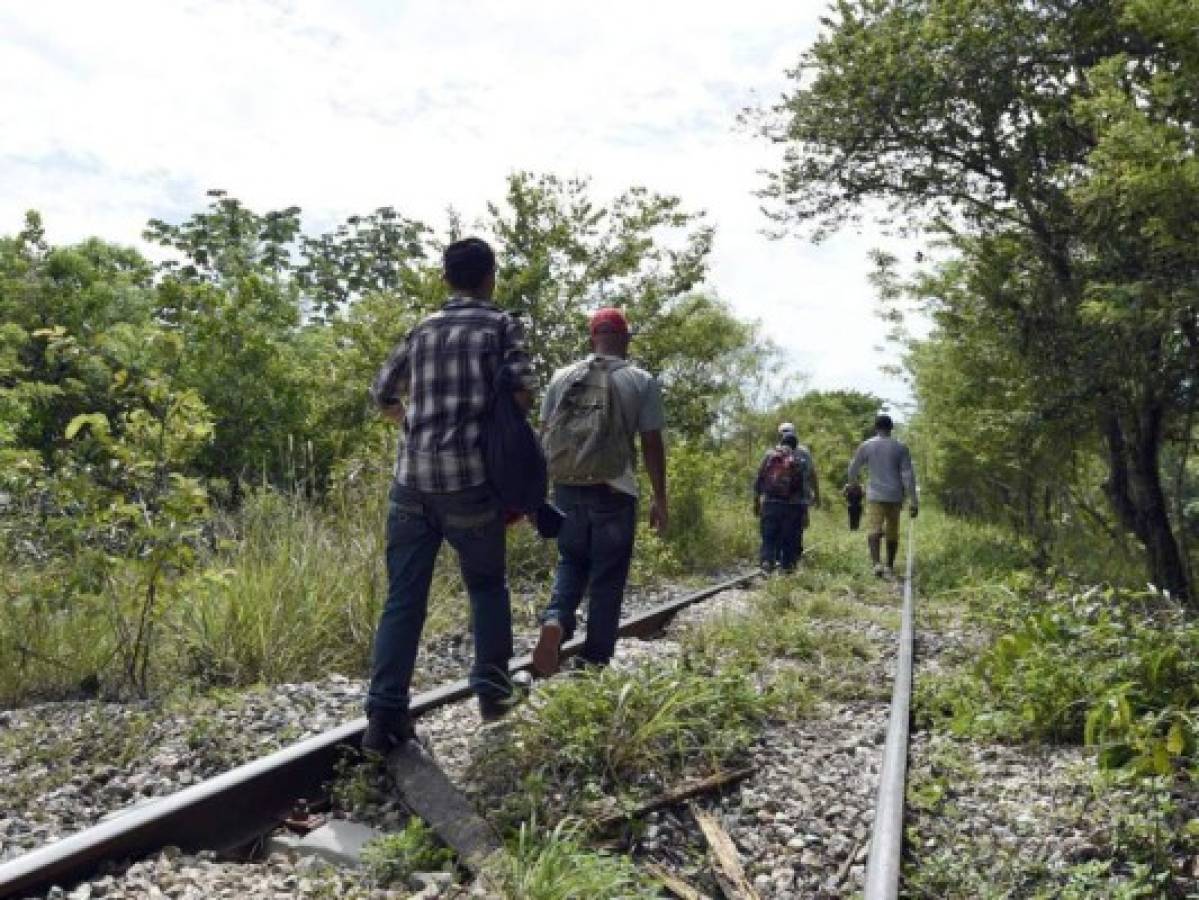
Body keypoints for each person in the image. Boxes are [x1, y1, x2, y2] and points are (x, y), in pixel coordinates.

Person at [363, 237, 537, 754]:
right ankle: (492, 695)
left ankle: (383, 716)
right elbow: (524, 393)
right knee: (486, 587)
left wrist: (411, 420)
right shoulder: (501, 325)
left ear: (446, 279)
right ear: (491, 277)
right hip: (470, 484)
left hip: (412, 482)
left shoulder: (421, 329)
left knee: (404, 598)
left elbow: (382, 392)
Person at [531, 308, 668, 676]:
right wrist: (660, 497)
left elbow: (543, 437)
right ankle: (593, 663)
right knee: (608, 577)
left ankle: (557, 620)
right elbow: (652, 443)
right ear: (625, 339)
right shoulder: (640, 381)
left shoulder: (562, 378)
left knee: (570, 561)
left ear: (593, 337)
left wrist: (536, 494)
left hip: (566, 489)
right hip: (615, 490)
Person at [846, 414, 918, 578]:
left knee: (874, 528)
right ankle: (890, 566)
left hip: (875, 495)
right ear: (891, 428)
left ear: (875, 428)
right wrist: (914, 501)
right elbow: (908, 476)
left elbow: (852, 469)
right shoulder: (901, 448)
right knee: (893, 531)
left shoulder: (866, 446)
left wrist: (853, 484)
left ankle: (876, 564)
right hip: (895, 496)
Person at [753, 424, 812, 573]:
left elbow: (759, 478)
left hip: (770, 503)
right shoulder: (800, 460)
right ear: (795, 445)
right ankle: (787, 568)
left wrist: (756, 501)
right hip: (792, 507)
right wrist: (804, 511)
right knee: (789, 539)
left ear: (781, 442)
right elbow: (802, 488)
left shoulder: (770, 455)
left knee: (768, 535)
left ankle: (767, 562)